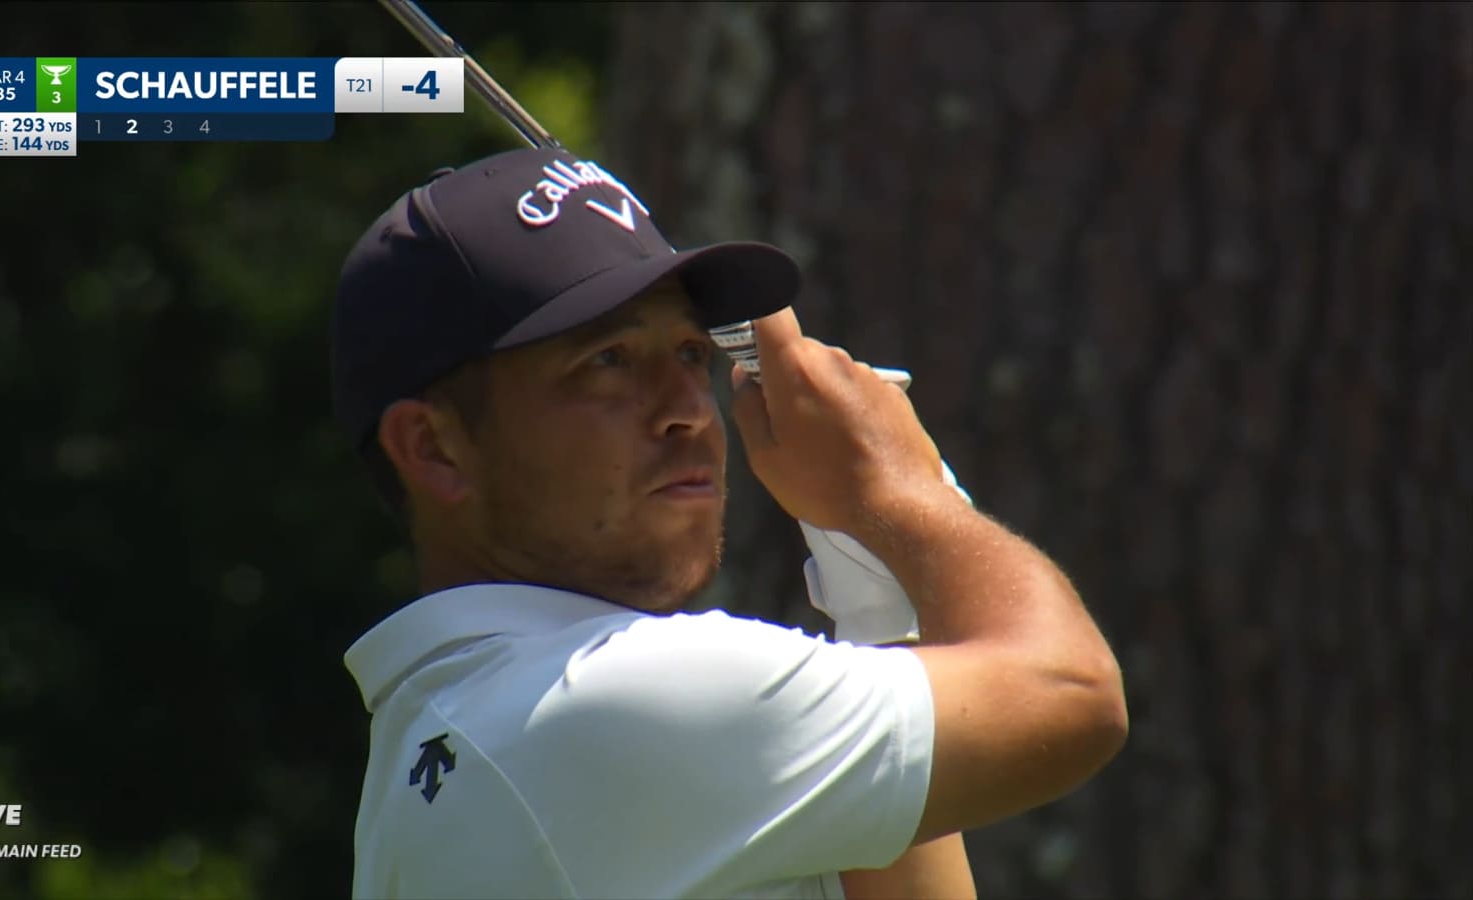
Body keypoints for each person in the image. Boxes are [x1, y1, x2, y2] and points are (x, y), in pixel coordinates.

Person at [331, 146, 1128, 900]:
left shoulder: (454, 726)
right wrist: (903, 493)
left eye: (688, 354)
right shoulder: (610, 700)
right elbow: (1074, 692)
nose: (689, 411)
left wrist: (875, 598)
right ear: (432, 448)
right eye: (608, 360)